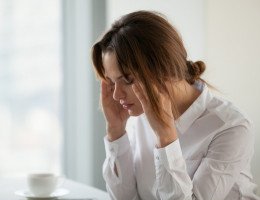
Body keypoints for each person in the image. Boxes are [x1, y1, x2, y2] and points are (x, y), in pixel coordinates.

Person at [91, 10, 259, 200]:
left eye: (128, 79)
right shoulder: (139, 117)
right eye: (112, 82)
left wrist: (166, 137)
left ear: (164, 68)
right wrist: (116, 130)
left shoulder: (231, 127)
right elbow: (124, 198)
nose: (116, 95)